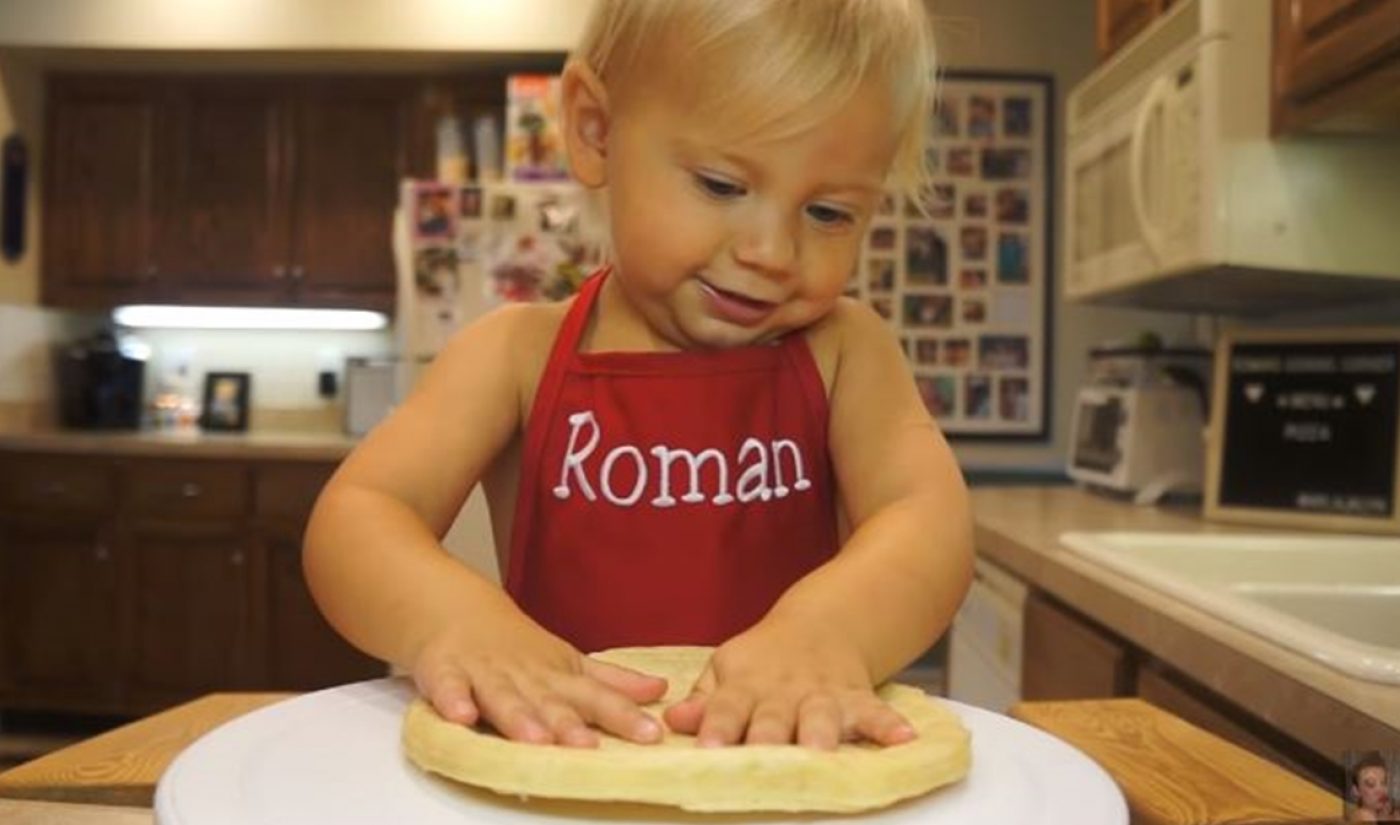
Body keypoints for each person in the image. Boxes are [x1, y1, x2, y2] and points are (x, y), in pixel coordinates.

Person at [304, 0, 972, 752]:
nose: (772, 250)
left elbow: (929, 519)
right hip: (565, 763)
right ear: (596, 131)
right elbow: (360, 512)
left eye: (827, 213)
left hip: (780, 763)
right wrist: (461, 623)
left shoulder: (848, 351)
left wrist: (829, 633)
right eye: (722, 185)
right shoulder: (514, 354)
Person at [1350, 751, 1397, 822]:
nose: (1381, 790)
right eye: (1371, 784)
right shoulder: (1365, 816)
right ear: (1356, 791)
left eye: (1383, 783)